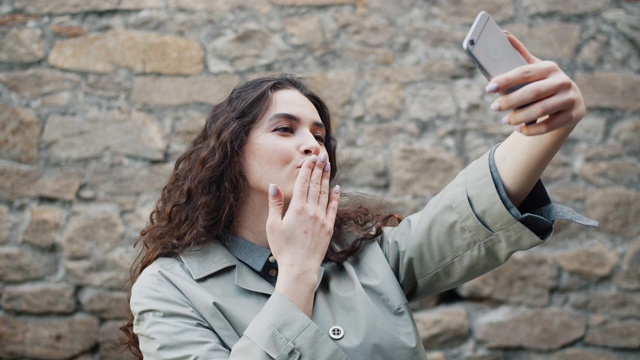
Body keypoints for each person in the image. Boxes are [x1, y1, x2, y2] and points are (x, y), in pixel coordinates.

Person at [120, 33, 596, 359]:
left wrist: (546, 130)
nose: (312, 143)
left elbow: (463, 218)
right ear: (230, 151)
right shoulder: (169, 288)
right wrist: (298, 274)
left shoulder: (366, 255)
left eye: (319, 133)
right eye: (284, 129)